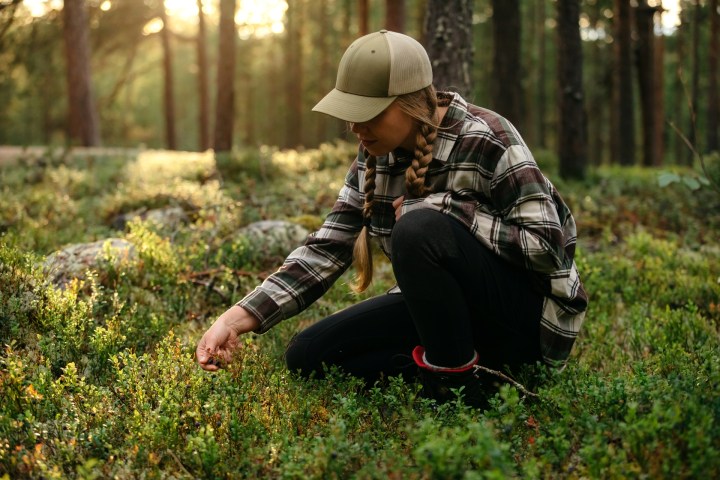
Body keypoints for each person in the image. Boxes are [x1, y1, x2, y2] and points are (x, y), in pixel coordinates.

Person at [196, 30, 588, 408]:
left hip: (525, 324)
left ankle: (455, 392)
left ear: (412, 103)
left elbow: (548, 249)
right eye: (350, 114)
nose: (355, 128)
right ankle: (476, 375)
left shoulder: (487, 138)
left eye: (368, 114)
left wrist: (447, 209)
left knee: (419, 227)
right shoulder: (375, 154)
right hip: (445, 317)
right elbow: (326, 249)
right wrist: (234, 319)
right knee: (308, 356)